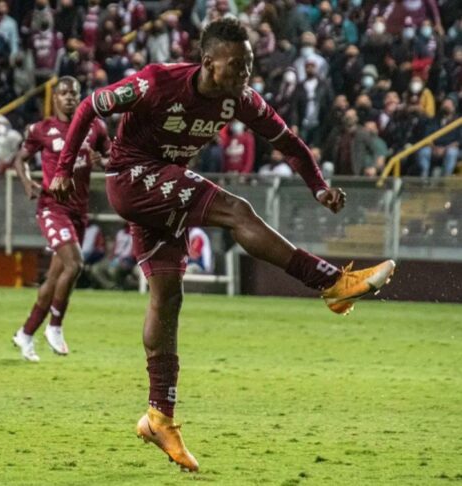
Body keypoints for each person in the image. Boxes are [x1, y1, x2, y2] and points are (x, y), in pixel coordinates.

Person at [49, 18, 396, 472]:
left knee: (167, 296)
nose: (245, 73)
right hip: (131, 177)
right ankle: (330, 283)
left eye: (249, 64)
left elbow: (288, 142)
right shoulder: (157, 82)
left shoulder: (240, 98)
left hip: (162, 185)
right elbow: (90, 106)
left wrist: (319, 187)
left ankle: (159, 418)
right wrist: (63, 167)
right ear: (208, 61)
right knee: (236, 211)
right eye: (236, 65)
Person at [11, 76, 110, 362]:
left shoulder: (95, 128)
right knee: (75, 264)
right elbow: (19, 159)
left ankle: (26, 333)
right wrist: (27, 183)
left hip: (78, 211)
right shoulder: (42, 129)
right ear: (54, 97)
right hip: (52, 207)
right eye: (64, 93)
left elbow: (113, 158)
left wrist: (102, 162)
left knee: (55, 278)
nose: (69, 97)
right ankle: (55, 325)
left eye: (73, 93)